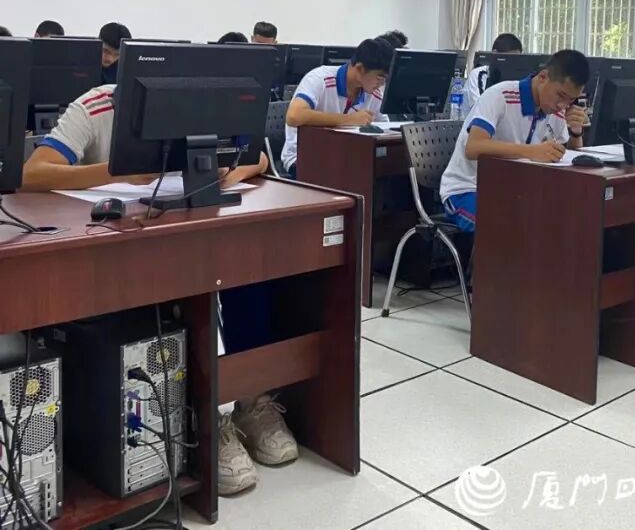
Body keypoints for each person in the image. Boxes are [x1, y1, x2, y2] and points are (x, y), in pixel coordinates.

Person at [21, 85, 285, 496]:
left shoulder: (199, 99)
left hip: (189, 228)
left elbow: (258, 158)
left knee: (250, 272)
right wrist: (115, 173)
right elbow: (32, 173)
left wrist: (222, 177)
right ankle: (204, 422)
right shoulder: (97, 105)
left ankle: (252, 399)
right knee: (176, 306)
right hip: (116, 251)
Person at [440, 50, 589, 232]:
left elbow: (571, 158)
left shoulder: (556, 113)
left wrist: (576, 133)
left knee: (566, 220)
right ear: (543, 77)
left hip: (515, 192)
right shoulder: (500, 95)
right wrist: (531, 151)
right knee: (507, 229)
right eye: (560, 95)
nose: (562, 105)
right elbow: (473, 147)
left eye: (571, 100)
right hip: (468, 190)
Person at [281, 38, 394, 178]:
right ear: (359, 69)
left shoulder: (374, 94)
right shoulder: (320, 79)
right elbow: (294, 116)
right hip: (304, 158)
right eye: (380, 78)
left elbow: (385, 129)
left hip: (346, 158)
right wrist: (349, 120)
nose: (381, 84)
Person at [464, 32, 523, 115]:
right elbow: (479, 109)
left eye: (517, 59)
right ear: (494, 54)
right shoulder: (477, 75)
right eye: (509, 58)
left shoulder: (519, 78)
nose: (512, 64)